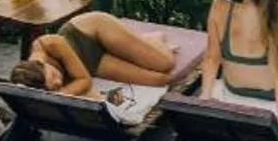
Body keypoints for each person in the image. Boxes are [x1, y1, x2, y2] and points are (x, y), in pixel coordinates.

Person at [10, 12, 186, 97]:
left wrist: (60, 93)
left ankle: (154, 39)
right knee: (161, 80)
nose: (58, 82)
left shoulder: (50, 43)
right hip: (91, 62)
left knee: (166, 64)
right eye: (54, 86)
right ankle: (136, 46)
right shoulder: (34, 79)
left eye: (54, 75)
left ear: (41, 63)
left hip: (92, 32)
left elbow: (84, 81)